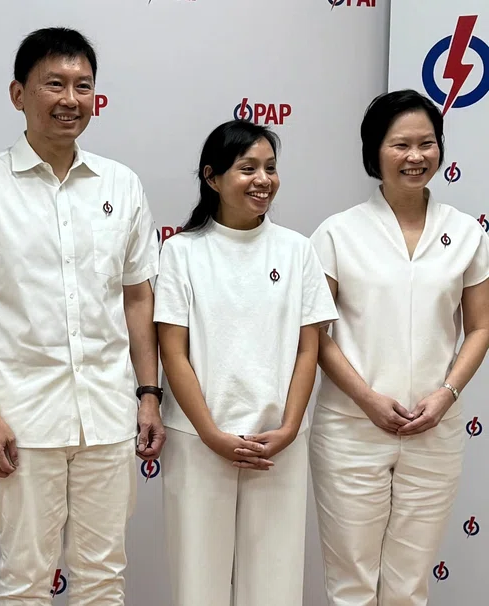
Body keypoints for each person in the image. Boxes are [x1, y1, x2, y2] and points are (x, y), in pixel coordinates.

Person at [0, 27, 164, 605]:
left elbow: (138, 298)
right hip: (22, 417)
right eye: (54, 84)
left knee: (104, 575)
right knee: (25, 579)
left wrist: (149, 394)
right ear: (18, 94)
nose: (70, 99)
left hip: (108, 413)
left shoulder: (121, 184)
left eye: (83, 86)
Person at [308, 89, 489, 606]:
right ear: (375, 152)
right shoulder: (337, 233)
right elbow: (315, 334)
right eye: (401, 145)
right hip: (351, 429)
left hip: (434, 429)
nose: (415, 157)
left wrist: (447, 394)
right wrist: (367, 399)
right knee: (352, 582)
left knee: (409, 584)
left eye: (427, 144)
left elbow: (479, 327)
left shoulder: (467, 233)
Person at [155, 119, 338, 606]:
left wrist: (290, 427)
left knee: (275, 585)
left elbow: (309, 348)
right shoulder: (181, 252)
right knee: (199, 584)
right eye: (248, 168)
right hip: (199, 441)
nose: (263, 180)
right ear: (212, 177)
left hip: (277, 442)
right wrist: (212, 433)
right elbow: (172, 351)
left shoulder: (297, 251)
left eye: (271, 168)